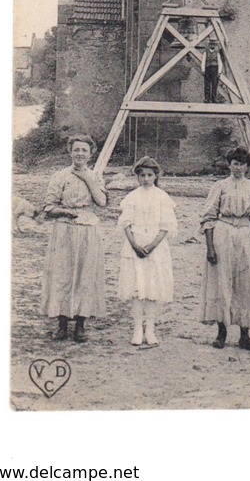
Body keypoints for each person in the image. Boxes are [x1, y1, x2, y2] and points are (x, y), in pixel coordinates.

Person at [200, 147, 250, 351]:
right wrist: (210, 247)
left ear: (248, 166)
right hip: (224, 231)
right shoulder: (220, 186)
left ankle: (244, 334)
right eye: (235, 163)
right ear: (229, 165)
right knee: (222, 281)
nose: (239, 168)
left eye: (243, 164)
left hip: (246, 232)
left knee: (245, 283)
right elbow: (208, 217)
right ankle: (221, 332)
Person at [41, 133, 107, 343]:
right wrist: (65, 212)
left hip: (88, 230)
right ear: (70, 151)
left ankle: (80, 325)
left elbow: (102, 202)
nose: (80, 154)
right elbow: (48, 207)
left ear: (90, 154)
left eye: (84, 150)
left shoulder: (95, 176)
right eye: (76, 149)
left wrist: (88, 178)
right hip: (65, 230)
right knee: (63, 275)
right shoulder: (60, 176)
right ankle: (62, 325)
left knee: (85, 277)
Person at [117, 156, 178, 346]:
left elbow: (166, 226)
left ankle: (150, 329)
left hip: (155, 246)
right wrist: (135, 245)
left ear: (155, 176)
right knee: (137, 287)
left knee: (151, 288)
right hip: (135, 244)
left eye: (149, 175)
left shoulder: (162, 197)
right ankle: (137, 329)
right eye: (142, 175)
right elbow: (126, 223)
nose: (145, 179)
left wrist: (152, 245)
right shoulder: (132, 197)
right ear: (137, 177)